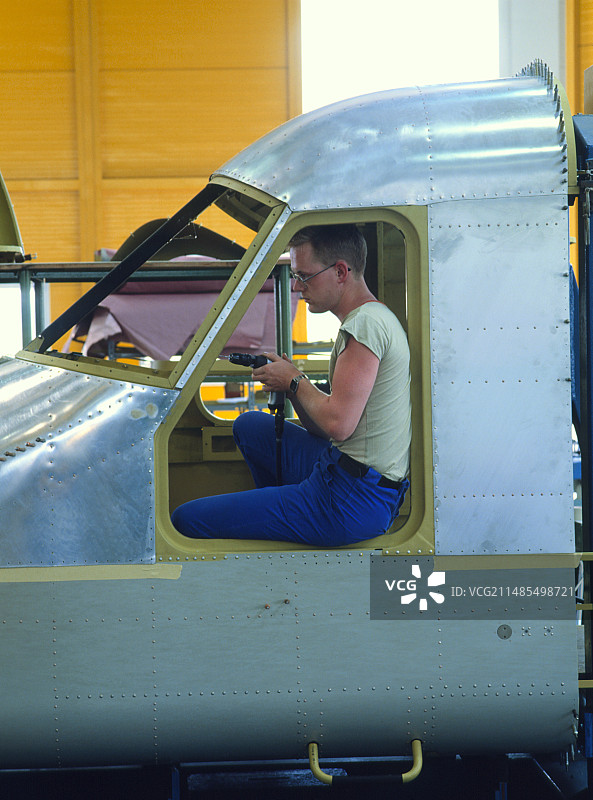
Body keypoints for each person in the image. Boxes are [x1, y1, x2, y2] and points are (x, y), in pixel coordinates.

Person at [171, 224, 411, 546]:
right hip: (347, 476)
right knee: (250, 426)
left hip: (350, 502)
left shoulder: (365, 326)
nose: (297, 287)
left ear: (340, 271)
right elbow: (325, 430)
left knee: (185, 520)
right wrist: (292, 385)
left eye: (304, 276)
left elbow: (338, 425)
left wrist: (295, 381)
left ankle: (286, 517)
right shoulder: (370, 319)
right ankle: (283, 510)